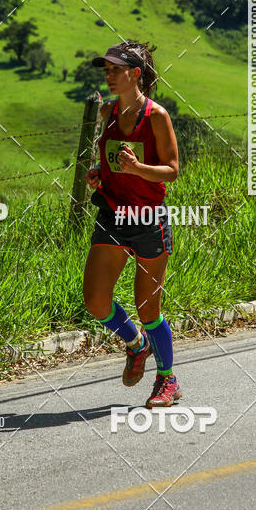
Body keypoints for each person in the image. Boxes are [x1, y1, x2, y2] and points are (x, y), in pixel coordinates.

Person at [83, 41, 181, 407]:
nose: (108, 76)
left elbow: (171, 170)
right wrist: (98, 172)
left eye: (115, 70)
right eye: (106, 70)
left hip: (147, 219)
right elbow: (108, 158)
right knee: (95, 300)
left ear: (135, 75)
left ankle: (168, 380)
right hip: (111, 213)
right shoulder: (108, 111)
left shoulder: (156, 116)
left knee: (148, 309)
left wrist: (139, 170)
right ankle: (136, 344)